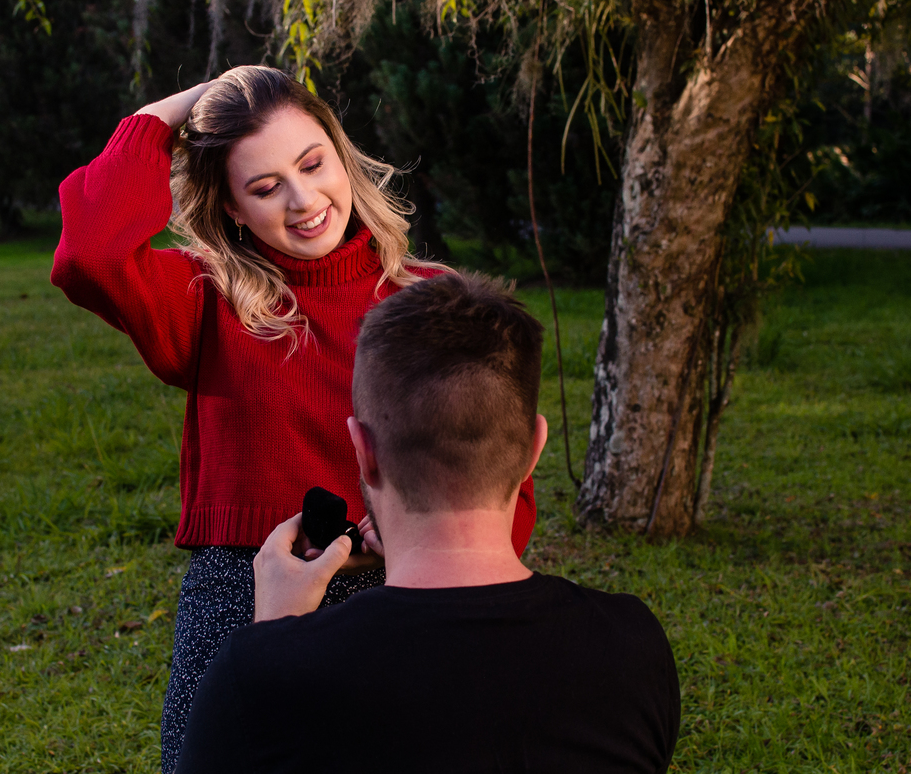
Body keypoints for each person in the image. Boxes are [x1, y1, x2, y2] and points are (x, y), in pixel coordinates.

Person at [50, 66, 539, 772]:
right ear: (232, 208)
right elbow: (90, 253)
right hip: (243, 591)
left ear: (342, 156)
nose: (304, 200)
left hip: (404, 588)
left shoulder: (430, 299)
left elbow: (499, 472)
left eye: (312, 165)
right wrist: (174, 110)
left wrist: (420, 545)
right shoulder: (208, 301)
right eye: (265, 186)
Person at [175, 272, 681, 774]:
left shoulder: (260, 672)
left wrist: (272, 641)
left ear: (363, 452)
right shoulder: (634, 646)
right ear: (534, 449)